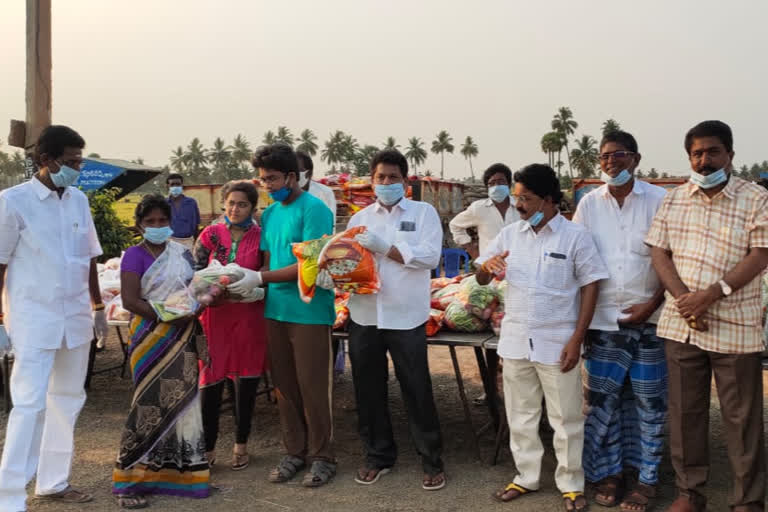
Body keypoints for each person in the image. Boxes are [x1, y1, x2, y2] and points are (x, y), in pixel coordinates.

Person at [645, 120, 768, 512]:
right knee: (685, 413)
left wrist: (712, 295)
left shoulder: (755, 198)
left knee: (741, 417)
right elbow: (659, 252)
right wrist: (684, 299)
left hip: (736, 325)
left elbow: (761, 253)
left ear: (730, 154)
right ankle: (689, 492)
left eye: (712, 151)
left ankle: (747, 500)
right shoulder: (675, 198)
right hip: (682, 325)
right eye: (697, 153)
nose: (704, 160)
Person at [477, 164, 608, 512]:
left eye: (527, 199)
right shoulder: (511, 234)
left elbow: (591, 285)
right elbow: (480, 278)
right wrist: (484, 269)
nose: (519, 205)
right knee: (520, 413)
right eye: (518, 198)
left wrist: (577, 338)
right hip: (517, 338)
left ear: (549, 200)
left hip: (557, 341)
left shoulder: (574, 236)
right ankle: (526, 477)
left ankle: (571, 483)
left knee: (565, 417)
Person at [0, 125, 107, 511]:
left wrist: (97, 308)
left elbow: (89, 256)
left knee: (67, 399)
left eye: (80, 160)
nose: (77, 168)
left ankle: (52, 482)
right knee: (29, 404)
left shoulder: (77, 200)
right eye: (71, 161)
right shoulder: (12, 202)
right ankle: (9, 498)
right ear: (45, 160)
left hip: (75, 316)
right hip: (33, 317)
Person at [327, 149, 446, 490]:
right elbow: (348, 261)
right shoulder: (359, 218)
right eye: (381, 177)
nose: (387, 183)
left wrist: (385, 248)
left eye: (393, 177)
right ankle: (379, 456)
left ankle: (431, 458)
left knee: (417, 388)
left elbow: (429, 257)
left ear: (405, 181)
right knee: (368, 388)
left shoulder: (423, 213)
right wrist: (331, 272)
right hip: (365, 313)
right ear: (372, 180)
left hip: (406, 315)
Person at [228, 143, 336, 487]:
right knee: (284, 388)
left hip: (309, 312)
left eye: (272, 179)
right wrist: (245, 282)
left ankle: (322, 457)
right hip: (275, 310)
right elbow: (266, 262)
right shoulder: (270, 215)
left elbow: (309, 265)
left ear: (292, 176)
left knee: (313, 387)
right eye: (262, 180)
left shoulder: (315, 210)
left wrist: (260, 278)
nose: (267, 186)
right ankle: (294, 451)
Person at [572, 131, 667, 512]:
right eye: (605, 156)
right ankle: (610, 473)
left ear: (636, 159)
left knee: (649, 402)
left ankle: (646, 479)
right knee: (603, 401)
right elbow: (578, 259)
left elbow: (670, 260)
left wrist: (651, 304)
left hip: (651, 320)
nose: (612, 162)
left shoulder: (660, 201)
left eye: (620, 155)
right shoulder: (588, 205)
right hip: (602, 322)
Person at [111, 195, 210, 508]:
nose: (156, 226)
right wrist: (169, 316)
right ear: (140, 225)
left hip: (183, 334)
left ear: (170, 222)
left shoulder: (181, 254)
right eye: (150, 222)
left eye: (162, 221)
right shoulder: (133, 256)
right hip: (150, 337)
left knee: (185, 402)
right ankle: (131, 480)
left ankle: (185, 475)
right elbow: (129, 301)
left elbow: (194, 292)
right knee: (149, 404)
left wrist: (209, 298)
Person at [194, 180, 268, 472]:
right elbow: (195, 272)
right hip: (215, 317)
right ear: (224, 203)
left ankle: (241, 443)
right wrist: (208, 292)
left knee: (246, 381)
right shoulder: (210, 234)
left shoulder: (262, 237)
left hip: (249, 315)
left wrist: (255, 288)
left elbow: (266, 271)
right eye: (231, 203)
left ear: (253, 207)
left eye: (243, 204)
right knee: (210, 380)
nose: (235, 209)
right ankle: (208, 445)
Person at [449, 163, 520, 259]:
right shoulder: (479, 208)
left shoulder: (520, 206)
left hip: (520, 265)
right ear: (487, 188)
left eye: (501, 181)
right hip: (489, 267)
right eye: (492, 183)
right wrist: (472, 250)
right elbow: (455, 225)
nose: (496, 186)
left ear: (509, 184)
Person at [297, 150, 337, 229]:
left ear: (309, 173)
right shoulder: (285, 194)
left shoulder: (324, 192)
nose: (296, 174)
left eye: (300, 170)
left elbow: (330, 223)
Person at [167, 173, 201, 250]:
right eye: (172, 184)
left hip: (188, 241)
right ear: (168, 186)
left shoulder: (191, 202)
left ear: (182, 185)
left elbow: (196, 225)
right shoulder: (164, 204)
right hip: (170, 241)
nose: (175, 187)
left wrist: (196, 243)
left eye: (178, 184)